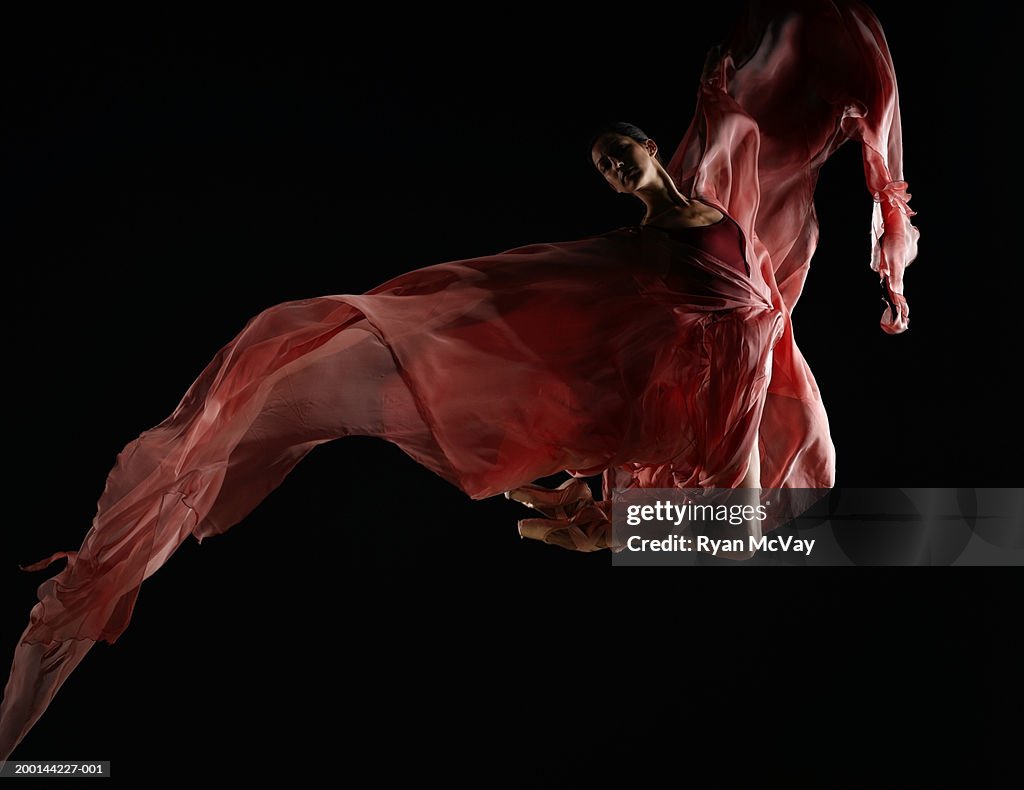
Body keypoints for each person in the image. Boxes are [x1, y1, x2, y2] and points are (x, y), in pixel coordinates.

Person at [0, 0, 919, 762]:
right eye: (606, 163)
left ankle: (635, 520)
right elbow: (601, 302)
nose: (614, 167)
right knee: (752, 514)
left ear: (645, 153)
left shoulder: (722, 193)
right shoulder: (648, 245)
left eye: (621, 155)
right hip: (682, 353)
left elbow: (816, 152)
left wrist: (888, 232)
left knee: (775, 510)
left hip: (718, 355)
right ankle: (84, 607)